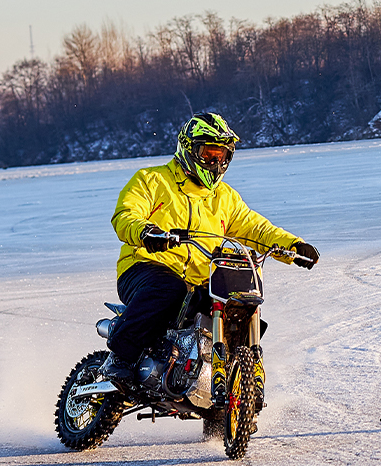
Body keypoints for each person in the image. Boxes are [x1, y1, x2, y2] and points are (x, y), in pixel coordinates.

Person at [101, 112, 320, 382]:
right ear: (188, 149)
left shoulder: (224, 198)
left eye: (221, 156)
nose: (215, 163)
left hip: (203, 277)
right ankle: (121, 356)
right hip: (145, 266)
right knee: (170, 289)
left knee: (236, 307)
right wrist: (148, 233)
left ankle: (217, 382)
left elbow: (255, 228)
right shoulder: (152, 181)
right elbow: (125, 215)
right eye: (208, 154)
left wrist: (294, 246)